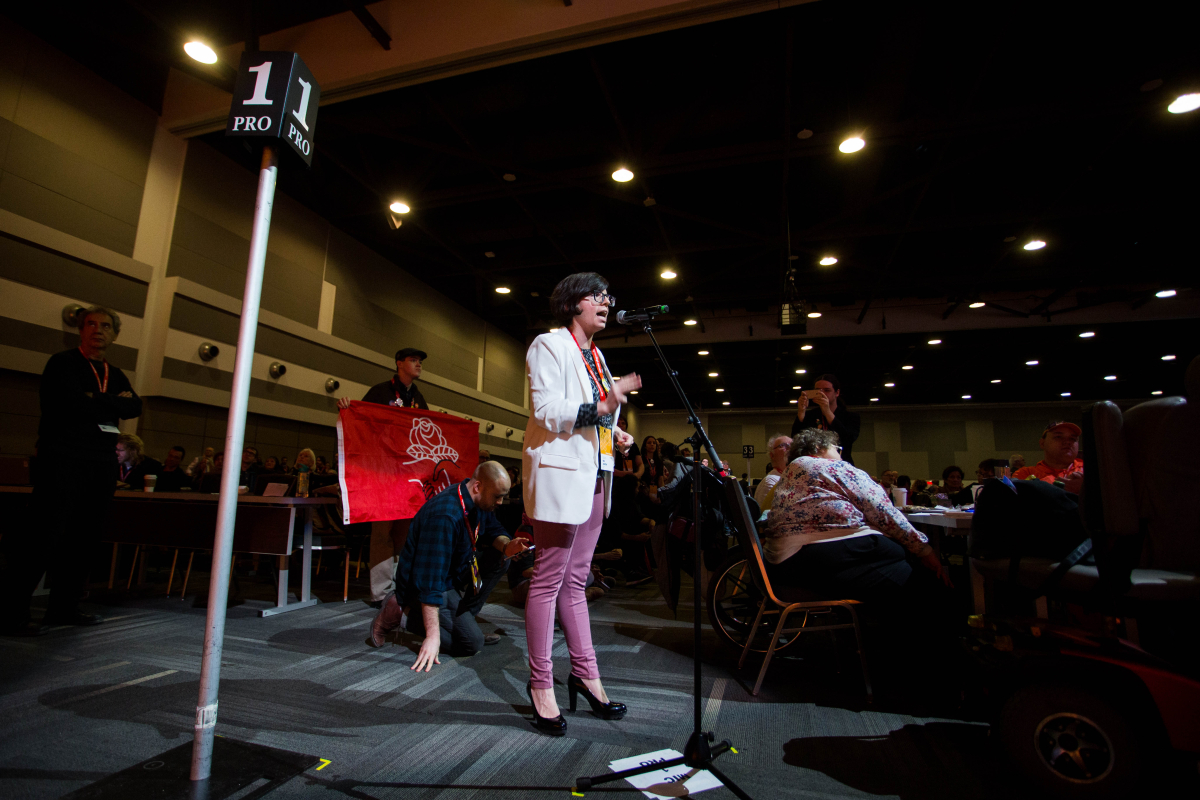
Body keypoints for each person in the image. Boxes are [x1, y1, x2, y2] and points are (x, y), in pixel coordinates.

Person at [522, 272, 640, 735]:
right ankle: (540, 685)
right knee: (548, 580)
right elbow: (548, 410)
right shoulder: (548, 345)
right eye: (596, 295)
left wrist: (617, 433)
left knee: (577, 579)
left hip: (594, 473)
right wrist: (607, 405)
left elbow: (598, 413)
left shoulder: (597, 354)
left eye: (609, 295)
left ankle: (587, 676)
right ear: (573, 304)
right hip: (559, 474)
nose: (606, 302)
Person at [2, 306, 142, 634]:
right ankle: (10, 613)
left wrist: (96, 397)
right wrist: (109, 402)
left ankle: (63, 608)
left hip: (101, 462)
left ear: (115, 334)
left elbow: (133, 405)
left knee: (84, 539)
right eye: (91, 324)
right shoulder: (62, 363)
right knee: (43, 536)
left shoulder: (116, 372)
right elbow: (67, 404)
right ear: (80, 330)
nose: (98, 330)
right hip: (63, 459)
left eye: (106, 326)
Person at [765, 428, 950, 606]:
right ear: (818, 448)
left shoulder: (790, 474)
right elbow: (882, 510)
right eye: (837, 449)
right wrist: (923, 549)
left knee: (895, 554)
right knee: (912, 569)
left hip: (785, 564)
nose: (840, 455)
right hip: (822, 556)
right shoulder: (831, 466)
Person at [368, 462, 530, 659]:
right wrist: (433, 636)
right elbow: (430, 580)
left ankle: (464, 623)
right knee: (471, 644)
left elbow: (492, 530)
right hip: (424, 583)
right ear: (478, 486)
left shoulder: (475, 500)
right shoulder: (445, 515)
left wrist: (507, 546)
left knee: (501, 558)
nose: (500, 502)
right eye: (497, 496)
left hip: (453, 572)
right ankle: (400, 614)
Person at [338, 347, 430, 606]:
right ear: (399, 363)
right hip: (382, 477)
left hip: (407, 478)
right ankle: (380, 593)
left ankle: (399, 588)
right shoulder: (381, 392)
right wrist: (348, 407)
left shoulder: (419, 397)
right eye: (413, 360)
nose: (419, 364)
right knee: (382, 534)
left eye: (420, 361)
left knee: (404, 534)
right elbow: (361, 418)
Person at [792, 374, 861, 465]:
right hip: (813, 465)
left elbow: (847, 439)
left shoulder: (851, 416)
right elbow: (796, 439)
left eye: (827, 390)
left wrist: (827, 411)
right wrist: (801, 412)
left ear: (837, 393)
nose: (822, 393)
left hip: (841, 464)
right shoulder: (809, 415)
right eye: (817, 391)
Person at [1012, 422, 1084, 493]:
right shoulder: (1025, 474)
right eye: (1058, 437)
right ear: (1042, 443)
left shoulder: (1090, 470)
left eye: (1072, 438)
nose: (1067, 442)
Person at [754, 433, 792, 511]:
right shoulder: (770, 481)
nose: (789, 447)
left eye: (792, 445)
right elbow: (766, 519)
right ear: (772, 455)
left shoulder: (788, 477)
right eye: (783, 445)